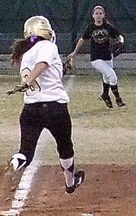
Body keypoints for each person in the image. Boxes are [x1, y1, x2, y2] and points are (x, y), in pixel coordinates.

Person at [5, 15, 85, 194]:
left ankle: (15, 161)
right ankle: (70, 183)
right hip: (55, 108)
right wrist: (28, 81)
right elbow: (42, 64)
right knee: (65, 146)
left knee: (26, 152)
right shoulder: (48, 46)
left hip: (30, 109)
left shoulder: (26, 52)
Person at [67, 5, 126, 108]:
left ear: (104, 15)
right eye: (96, 13)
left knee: (107, 78)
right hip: (96, 58)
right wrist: (75, 52)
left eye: (100, 13)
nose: (98, 16)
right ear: (93, 15)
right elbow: (82, 40)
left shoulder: (108, 26)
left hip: (107, 56)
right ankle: (118, 99)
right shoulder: (90, 27)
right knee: (112, 76)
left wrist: (121, 42)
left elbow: (119, 36)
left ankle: (104, 95)